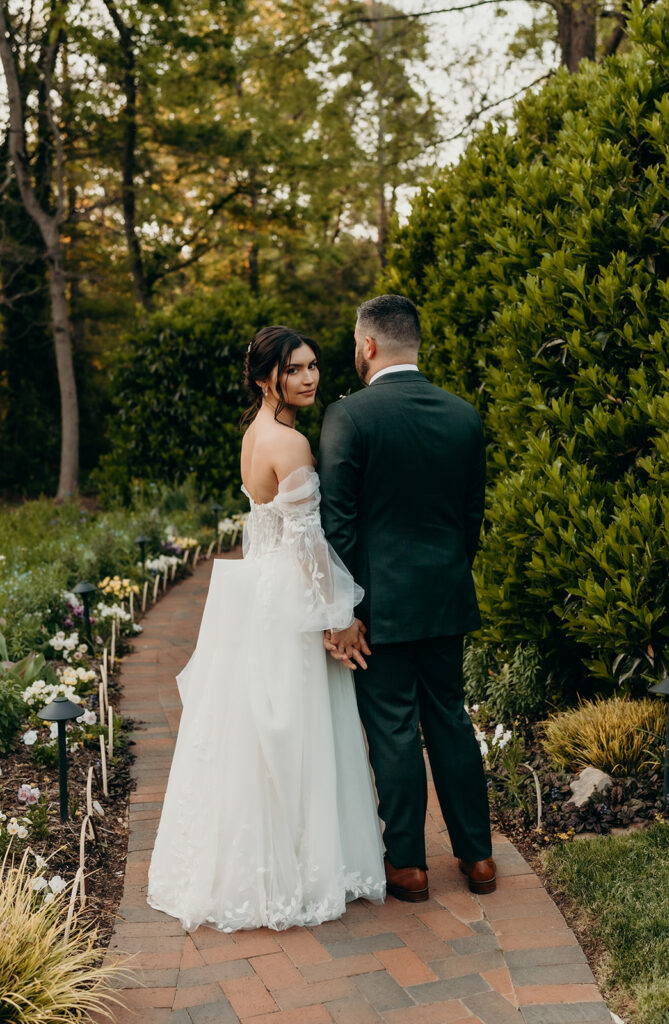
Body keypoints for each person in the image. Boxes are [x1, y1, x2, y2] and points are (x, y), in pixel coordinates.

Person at [147, 325, 385, 933]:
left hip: (257, 592)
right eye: (296, 369)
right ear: (264, 377)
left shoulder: (256, 434)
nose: (310, 377)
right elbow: (309, 547)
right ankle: (299, 869)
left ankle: (253, 867)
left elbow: (264, 531)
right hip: (290, 598)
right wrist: (338, 619)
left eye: (313, 367)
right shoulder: (293, 446)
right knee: (298, 731)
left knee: (258, 732)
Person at [318, 294, 496, 901]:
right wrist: (445, 574)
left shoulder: (350, 417)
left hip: (379, 606)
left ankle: (410, 867)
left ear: (368, 345)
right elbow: (471, 517)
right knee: (450, 718)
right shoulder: (463, 415)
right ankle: (478, 859)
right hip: (445, 597)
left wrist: (343, 612)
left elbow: (337, 525)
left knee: (393, 729)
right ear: (415, 343)